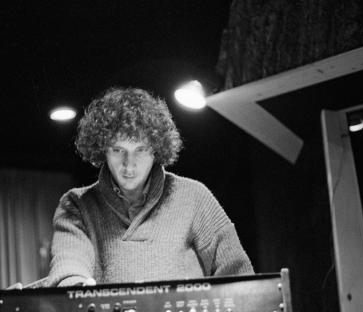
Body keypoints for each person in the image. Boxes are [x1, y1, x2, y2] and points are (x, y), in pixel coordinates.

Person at [47, 87, 254, 287]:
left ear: (156, 149)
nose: (129, 163)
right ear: (102, 149)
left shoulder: (194, 197)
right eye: (118, 149)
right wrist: (78, 293)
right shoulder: (76, 206)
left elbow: (239, 277)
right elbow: (68, 268)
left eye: (140, 149)